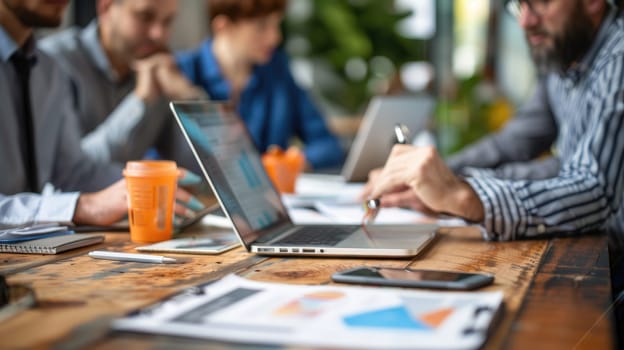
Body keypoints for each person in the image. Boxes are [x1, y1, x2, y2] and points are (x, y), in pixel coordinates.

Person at [364, 0, 624, 242]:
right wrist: (436, 176)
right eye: (519, 5)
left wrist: (464, 197)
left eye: (541, 2)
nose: (525, 21)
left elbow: (595, 192)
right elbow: (517, 141)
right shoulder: (565, 52)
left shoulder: (618, 58)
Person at [0, 0, 128, 226]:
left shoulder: (49, 70)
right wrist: (81, 207)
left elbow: (72, 172)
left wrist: (144, 184)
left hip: (37, 252)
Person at [176, 0, 344, 170]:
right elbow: (158, 159)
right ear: (223, 27)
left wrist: (287, 165)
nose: (275, 37)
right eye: (261, 26)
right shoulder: (180, 73)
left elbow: (328, 144)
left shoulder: (277, 71)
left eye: (277, 24)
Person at [39, 0, 203, 169]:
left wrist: (189, 100)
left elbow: (200, 170)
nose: (158, 34)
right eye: (145, 17)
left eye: (167, 21)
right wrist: (141, 100)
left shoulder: (157, 67)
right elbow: (69, 171)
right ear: (106, 8)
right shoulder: (53, 63)